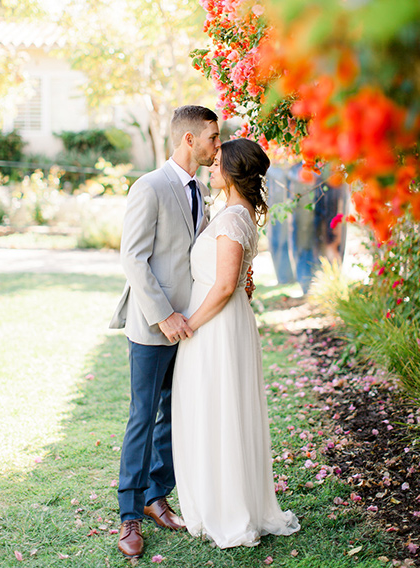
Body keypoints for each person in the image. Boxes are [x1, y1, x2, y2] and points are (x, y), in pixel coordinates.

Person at [172, 138, 300, 548]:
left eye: (217, 164)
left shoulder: (231, 219)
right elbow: (238, 277)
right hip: (223, 320)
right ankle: (226, 499)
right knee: (219, 407)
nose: (211, 166)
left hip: (215, 325)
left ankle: (228, 509)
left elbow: (226, 284)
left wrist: (190, 323)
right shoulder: (233, 213)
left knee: (218, 409)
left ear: (233, 172)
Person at [109, 105, 221, 559]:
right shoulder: (149, 187)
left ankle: (158, 495)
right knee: (143, 416)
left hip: (192, 326)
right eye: (213, 137)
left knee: (175, 415)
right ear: (189, 139)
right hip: (155, 326)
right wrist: (162, 316)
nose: (219, 144)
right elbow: (133, 258)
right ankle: (129, 516)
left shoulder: (203, 192)